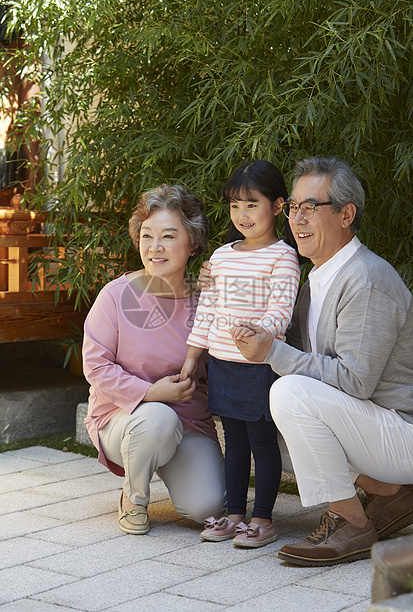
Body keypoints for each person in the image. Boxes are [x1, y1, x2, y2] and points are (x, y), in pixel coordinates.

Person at [227, 156, 413, 566]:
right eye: (293, 207)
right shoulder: (316, 279)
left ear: (347, 214)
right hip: (372, 430)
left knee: (290, 391)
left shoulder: (364, 279)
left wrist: (272, 351)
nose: (298, 218)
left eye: (312, 206)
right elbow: (297, 355)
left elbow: (354, 381)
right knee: (260, 413)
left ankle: (350, 522)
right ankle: (390, 491)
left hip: (402, 429)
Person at [82, 184, 226, 535]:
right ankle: (134, 497)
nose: (155, 247)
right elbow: (96, 366)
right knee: (158, 419)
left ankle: (163, 465)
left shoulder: (207, 299)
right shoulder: (117, 296)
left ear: (192, 244)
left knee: (205, 507)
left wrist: (225, 287)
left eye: (168, 236)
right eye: (147, 236)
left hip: (189, 423)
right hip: (125, 419)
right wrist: (151, 394)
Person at [180, 160, 301, 548]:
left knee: (262, 442)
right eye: (235, 206)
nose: (242, 215)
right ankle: (234, 515)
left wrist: (261, 332)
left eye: (252, 204)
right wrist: (192, 357)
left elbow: (281, 308)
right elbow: (208, 310)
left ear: (278, 206)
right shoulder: (220, 256)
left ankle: (263, 519)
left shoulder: (283, 256)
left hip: (260, 364)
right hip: (222, 363)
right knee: (233, 440)